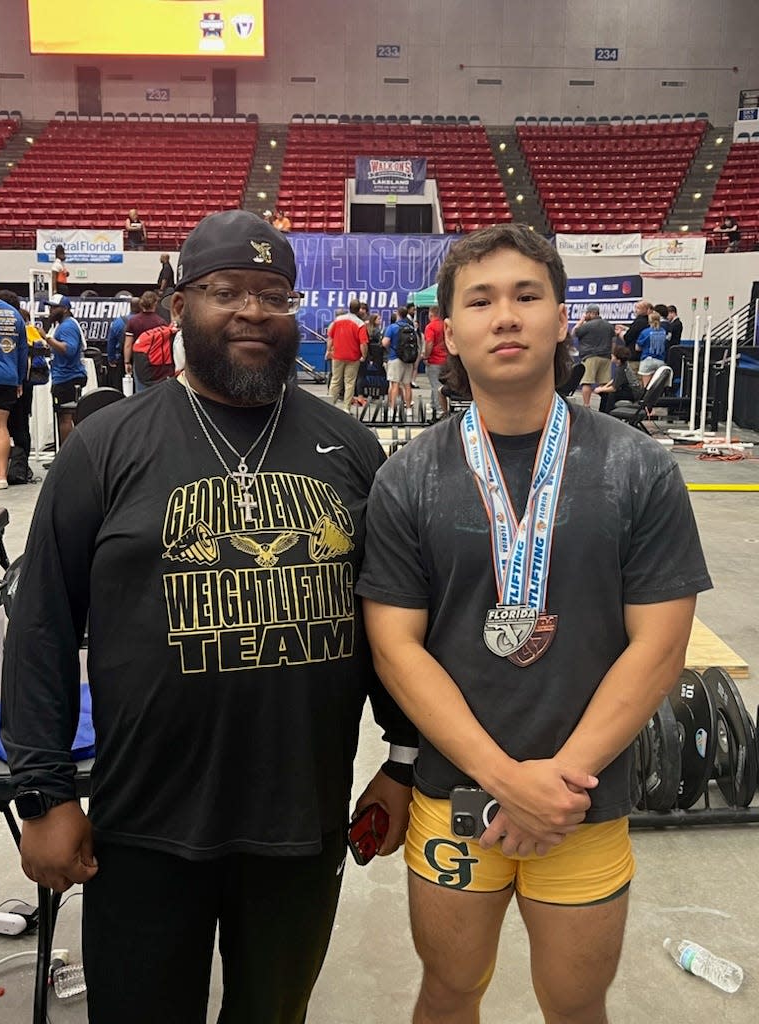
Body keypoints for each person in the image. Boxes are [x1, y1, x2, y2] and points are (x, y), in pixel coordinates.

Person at [1, 209, 416, 1024]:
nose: (252, 310)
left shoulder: (349, 446)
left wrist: (402, 764)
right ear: (179, 303)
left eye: (274, 292)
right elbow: (42, 622)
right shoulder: (108, 444)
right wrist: (44, 796)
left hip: (301, 821)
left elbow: (391, 623)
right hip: (146, 822)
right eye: (226, 289)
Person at [356, 223, 712, 1024]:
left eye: (527, 295)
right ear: (447, 331)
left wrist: (555, 784)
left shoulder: (638, 467)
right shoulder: (407, 476)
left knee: (577, 1003)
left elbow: (660, 649)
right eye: (480, 300)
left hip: (582, 804)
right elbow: (395, 648)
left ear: (561, 319)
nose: (506, 316)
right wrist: (506, 780)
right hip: (455, 800)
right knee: (448, 991)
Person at [0, 278, 27, 487]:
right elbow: (23, 352)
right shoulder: (15, 314)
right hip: (8, 377)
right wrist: (19, 380)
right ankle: (1, 476)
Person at [43, 295, 87, 444]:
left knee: (65, 417)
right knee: (67, 416)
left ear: (65, 309)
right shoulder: (64, 324)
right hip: (66, 376)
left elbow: (68, 349)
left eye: (54, 307)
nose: (50, 310)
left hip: (67, 377)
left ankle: (66, 456)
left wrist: (47, 338)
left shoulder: (67, 326)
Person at [326, 299, 368, 412]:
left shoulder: (337, 320)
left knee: (335, 380)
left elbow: (330, 337)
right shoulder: (360, 324)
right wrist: (364, 355)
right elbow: (363, 343)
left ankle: (330, 406)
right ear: (359, 309)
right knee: (349, 382)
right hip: (353, 357)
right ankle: (346, 408)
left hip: (337, 355)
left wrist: (328, 350)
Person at [572, 303, 614, 408]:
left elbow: (573, 333)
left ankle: (586, 405)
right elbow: (613, 341)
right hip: (606, 356)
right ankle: (604, 407)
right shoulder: (608, 325)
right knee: (604, 383)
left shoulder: (587, 325)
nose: (585, 315)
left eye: (586, 313)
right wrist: (611, 353)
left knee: (586, 382)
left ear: (591, 313)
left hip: (590, 356)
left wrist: (581, 321)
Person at [124, 290, 166, 392]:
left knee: (141, 393)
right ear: (155, 303)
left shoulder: (133, 321)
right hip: (156, 362)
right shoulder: (161, 322)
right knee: (156, 392)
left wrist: (127, 362)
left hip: (139, 361)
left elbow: (128, 345)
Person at [383, 305, 416, 416]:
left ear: (397, 314)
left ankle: (392, 409)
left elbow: (385, 343)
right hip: (408, 359)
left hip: (395, 358)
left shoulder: (392, 327)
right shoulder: (410, 327)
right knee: (407, 385)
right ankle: (408, 409)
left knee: (395, 385)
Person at [595, 344, 643, 414]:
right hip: (629, 390)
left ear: (618, 359)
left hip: (632, 393)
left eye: (613, 355)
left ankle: (608, 413)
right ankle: (602, 412)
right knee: (605, 392)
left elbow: (614, 388)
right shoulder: (623, 365)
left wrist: (600, 389)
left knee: (611, 394)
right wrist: (604, 387)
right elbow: (615, 380)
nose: (611, 355)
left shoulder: (621, 369)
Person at [106, 296, 140, 390]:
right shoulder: (144, 322)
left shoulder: (118, 322)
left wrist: (111, 358)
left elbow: (111, 342)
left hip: (122, 361)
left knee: (121, 388)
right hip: (141, 360)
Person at [423, 304, 448, 417]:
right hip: (446, 359)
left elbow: (429, 343)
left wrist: (426, 356)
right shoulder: (445, 325)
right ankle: (434, 404)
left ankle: (440, 409)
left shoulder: (430, 327)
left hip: (434, 360)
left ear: (431, 314)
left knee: (435, 385)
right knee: (442, 384)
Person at [634, 309, 668, 387]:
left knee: (647, 387)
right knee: (658, 386)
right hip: (660, 361)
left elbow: (637, 348)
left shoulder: (645, 332)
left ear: (649, 321)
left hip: (647, 360)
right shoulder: (663, 332)